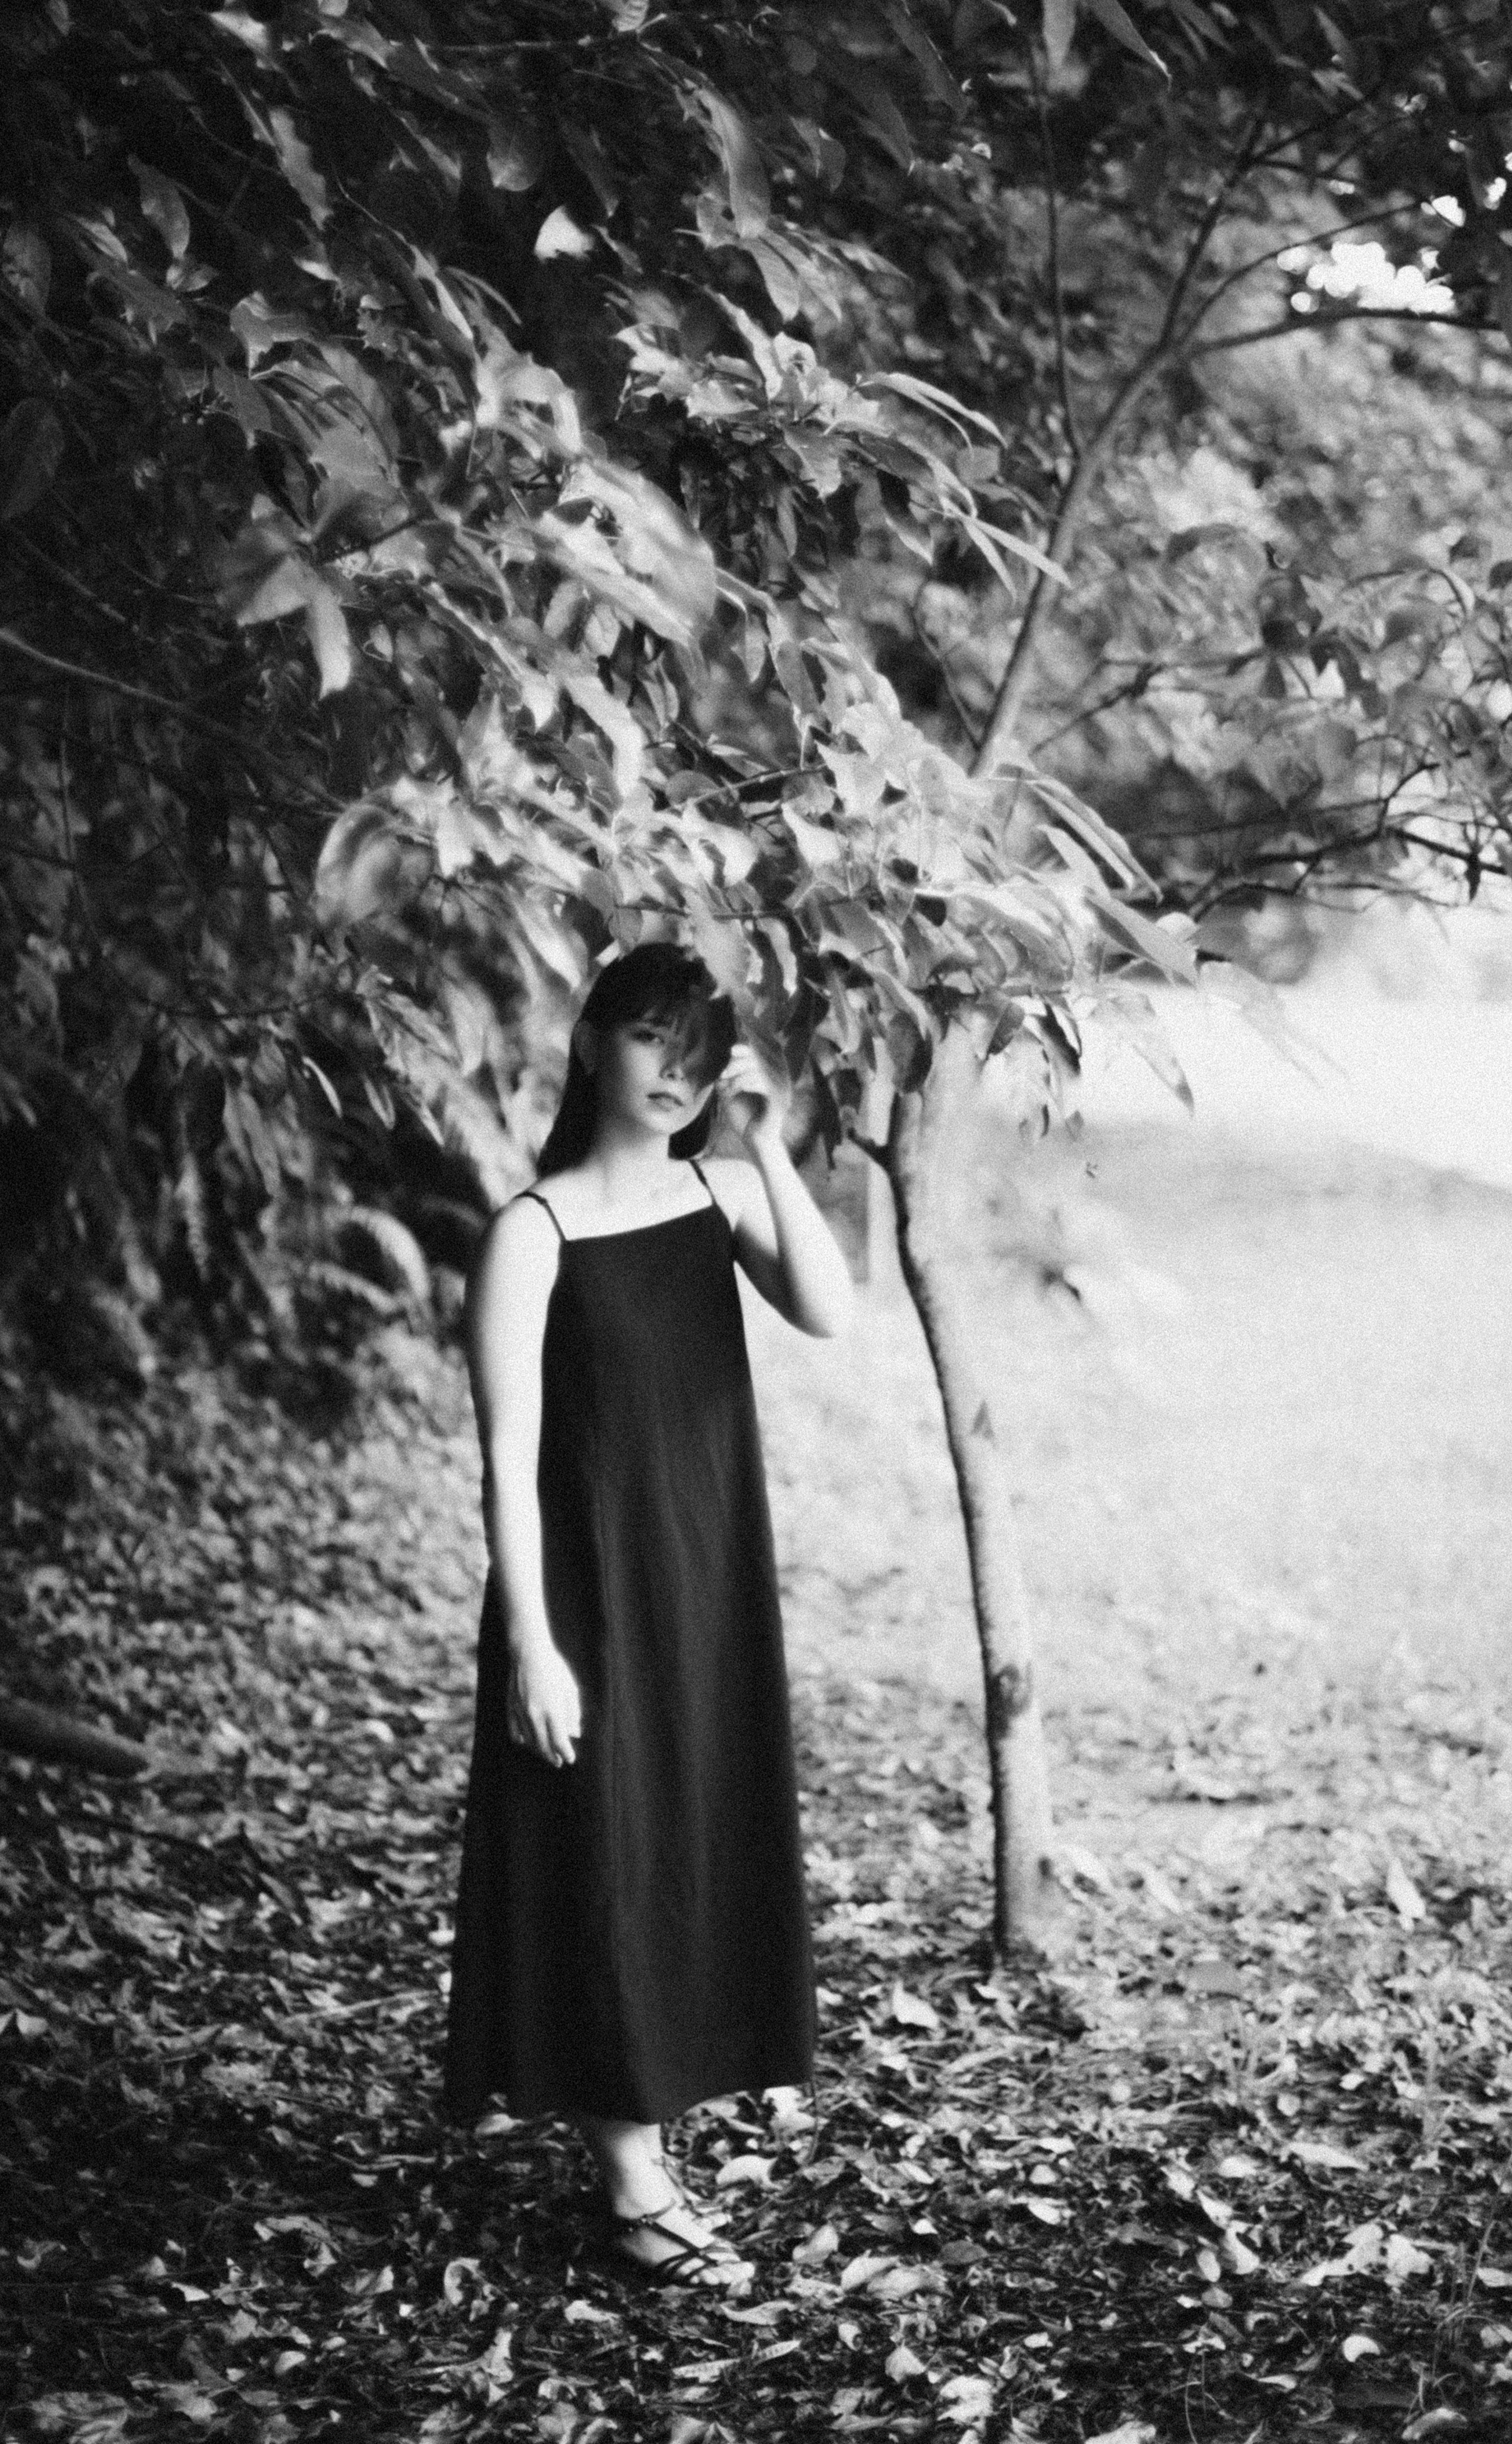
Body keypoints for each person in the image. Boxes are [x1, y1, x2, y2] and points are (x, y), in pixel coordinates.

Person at [443, 942, 854, 2285]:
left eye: (698, 1046)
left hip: (709, 1574)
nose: (673, 1069)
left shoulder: (719, 1192)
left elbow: (830, 1310)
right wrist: (531, 1641)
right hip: (591, 1593)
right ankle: (633, 2185)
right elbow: (507, 1455)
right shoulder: (532, 1230)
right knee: (606, 1852)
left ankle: (654, 2149)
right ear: (587, 1044)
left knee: (687, 1836)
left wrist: (768, 1141)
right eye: (647, 1038)